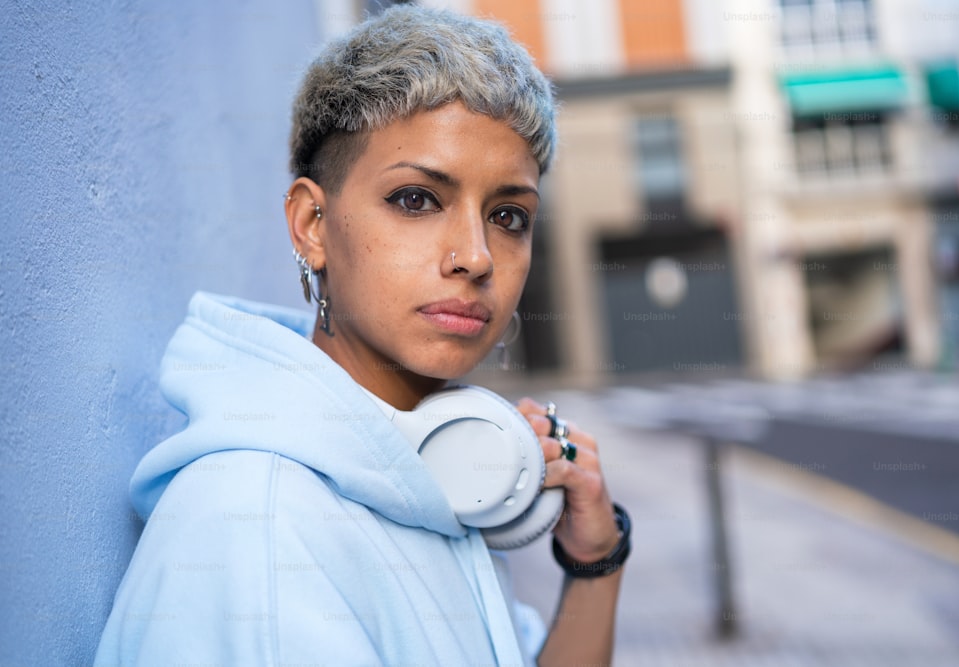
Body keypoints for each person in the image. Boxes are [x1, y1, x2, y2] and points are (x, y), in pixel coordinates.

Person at [94, 6, 629, 666]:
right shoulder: (257, 534)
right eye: (416, 199)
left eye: (508, 215)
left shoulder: (428, 477)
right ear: (312, 224)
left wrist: (596, 558)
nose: (476, 255)